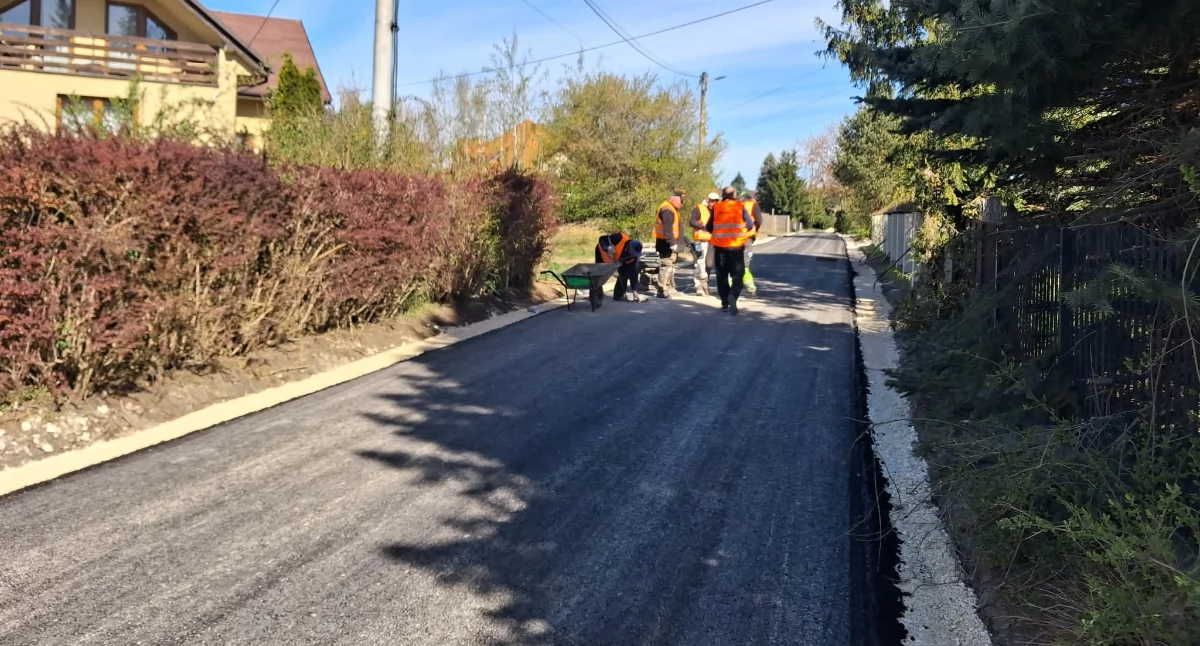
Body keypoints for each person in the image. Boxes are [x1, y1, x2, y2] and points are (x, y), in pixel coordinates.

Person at [706, 186, 756, 315]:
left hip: (720, 248)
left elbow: (709, 226)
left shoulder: (717, 207)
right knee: (737, 276)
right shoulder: (740, 206)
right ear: (734, 195)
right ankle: (732, 295)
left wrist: (719, 234)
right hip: (736, 248)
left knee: (722, 276)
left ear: (723, 195)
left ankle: (724, 303)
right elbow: (750, 225)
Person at [653, 190, 687, 298]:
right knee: (666, 265)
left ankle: (670, 288)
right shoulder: (667, 209)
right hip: (666, 243)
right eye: (681, 201)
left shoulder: (672, 209)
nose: (682, 203)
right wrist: (672, 243)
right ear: (675, 199)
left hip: (669, 242)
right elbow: (668, 228)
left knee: (670, 266)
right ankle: (662, 290)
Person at [596, 232, 646, 302]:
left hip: (615, 259)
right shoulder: (619, 237)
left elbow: (633, 273)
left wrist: (634, 290)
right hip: (602, 254)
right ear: (630, 246)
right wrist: (607, 248)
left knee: (624, 273)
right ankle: (596, 294)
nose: (633, 255)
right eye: (633, 252)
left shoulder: (633, 256)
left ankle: (618, 295)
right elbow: (602, 239)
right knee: (598, 276)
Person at [688, 192, 720, 296]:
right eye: (712, 201)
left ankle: (705, 283)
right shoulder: (699, 208)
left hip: (712, 241)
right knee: (700, 263)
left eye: (716, 201)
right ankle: (699, 287)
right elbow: (691, 222)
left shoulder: (717, 211)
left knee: (709, 265)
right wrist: (702, 224)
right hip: (700, 241)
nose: (713, 203)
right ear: (708, 200)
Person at [740, 190, 764, 296]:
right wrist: (754, 230)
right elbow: (759, 220)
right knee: (745, 265)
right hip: (747, 237)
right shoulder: (753, 205)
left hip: (733, 238)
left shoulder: (734, 205)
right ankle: (750, 289)